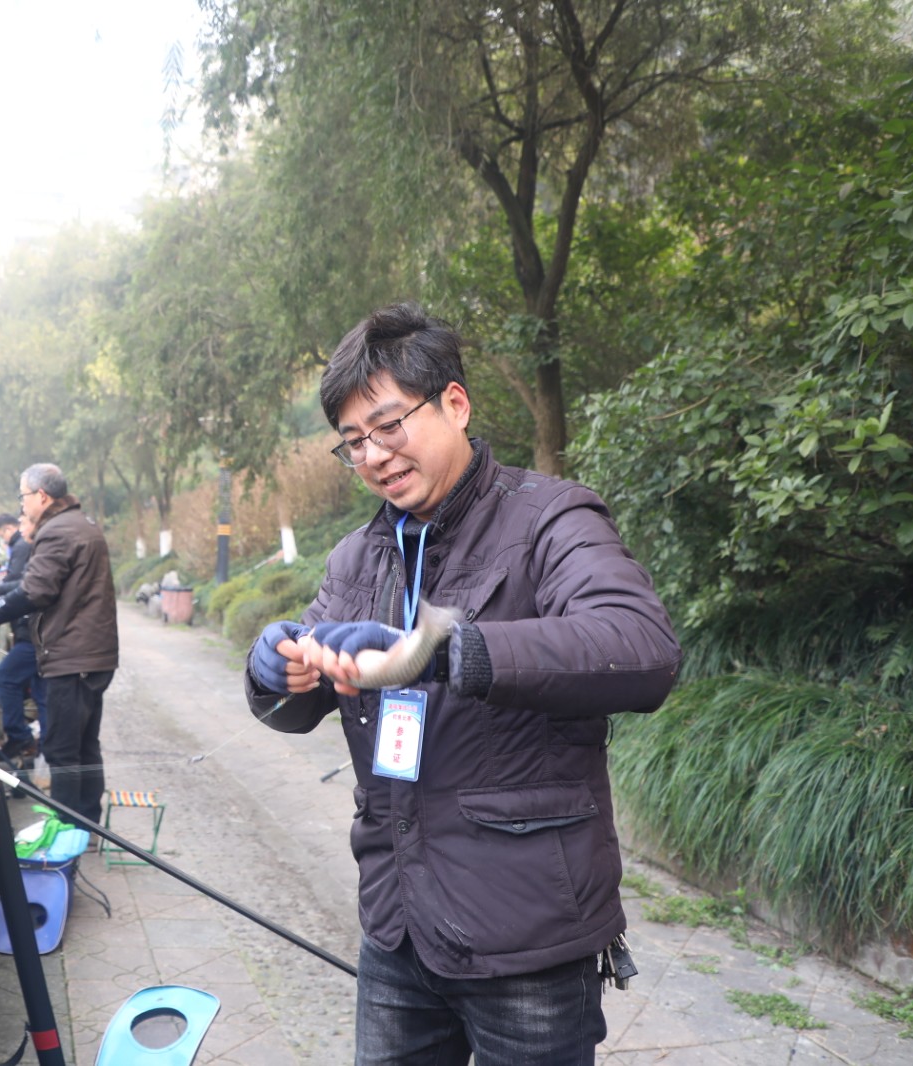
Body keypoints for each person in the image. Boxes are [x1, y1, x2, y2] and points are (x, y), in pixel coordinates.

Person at [245, 304, 681, 1066]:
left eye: (389, 426)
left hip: (527, 939)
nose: (375, 455)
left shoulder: (550, 518)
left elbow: (641, 646)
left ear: (455, 403)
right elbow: (302, 697)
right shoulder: (356, 556)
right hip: (397, 927)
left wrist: (446, 651)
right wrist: (275, 669)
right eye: (354, 442)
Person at [0, 463, 119, 824]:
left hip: (72, 656)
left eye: (23, 496)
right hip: (90, 654)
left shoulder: (58, 530)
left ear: (41, 496)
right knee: (85, 745)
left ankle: (67, 830)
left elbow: (37, 590)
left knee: (62, 749)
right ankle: (87, 826)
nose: (22, 504)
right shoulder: (80, 523)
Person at [0, 512, 48, 762]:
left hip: (38, 635)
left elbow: (26, 588)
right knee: (41, 693)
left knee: (5, 678)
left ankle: (22, 738)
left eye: (24, 523)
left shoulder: (28, 547)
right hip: (38, 634)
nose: (20, 529)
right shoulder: (35, 547)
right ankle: (42, 747)